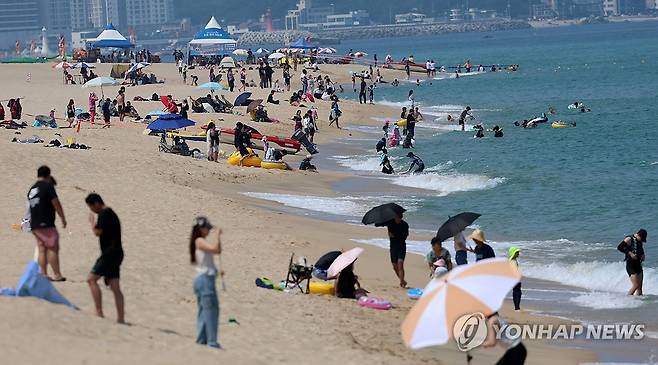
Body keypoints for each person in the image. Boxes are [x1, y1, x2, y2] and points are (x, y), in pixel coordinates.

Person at [85, 193, 125, 324]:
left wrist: (92, 223)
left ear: (96, 203)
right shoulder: (110, 213)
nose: (92, 210)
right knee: (115, 286)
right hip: (117, 253)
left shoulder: (104, 213)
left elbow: (98, 232)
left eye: (91, 207)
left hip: (109, 254)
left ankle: (98, 311)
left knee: (91, 280)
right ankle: (120, 318)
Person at [28, 166, 67, 282]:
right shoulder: (48, 186)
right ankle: (57, 275)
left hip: (34, 224)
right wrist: (63, 218)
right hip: (46, 222)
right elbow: (56, 203)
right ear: (48, 175)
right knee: (53, 248)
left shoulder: (32, 189)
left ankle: (43, 274)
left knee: (41, 249)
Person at [189, 216, 223, 349]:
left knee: (204, 310)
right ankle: (212, 342)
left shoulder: (198, 242)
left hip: (204, 279)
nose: (209, 230)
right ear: (201, 229)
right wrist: (218, 236)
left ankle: (201, 339)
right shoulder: (199, 241)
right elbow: (217, 250)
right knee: (211, 310)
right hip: (204, 280)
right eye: (207, 228)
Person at [617, 229, 647, 296]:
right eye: (642, 239)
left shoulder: (639, 240)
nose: (641, 241)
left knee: (639, 287)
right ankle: (627, 300)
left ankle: (639, 304)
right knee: (635, 285)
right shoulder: (629, 239)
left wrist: (643, 255)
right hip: (631, 265)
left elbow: (641, 249)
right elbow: (619, 247)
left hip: (638, 264)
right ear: (639, 235)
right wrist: (630, 253)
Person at [387, 213, 408, 288]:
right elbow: (390, 234)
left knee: (400, 264)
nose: (396, 219)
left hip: (401, 246)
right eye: (395, 217)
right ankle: (402, 280)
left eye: (397, 218)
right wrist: (391, 234)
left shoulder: (405, 225)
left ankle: (401, 283)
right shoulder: (390, 224)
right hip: (393, 247)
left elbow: (405, 236)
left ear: (400, 218)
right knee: (395, 266)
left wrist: (395, 235)